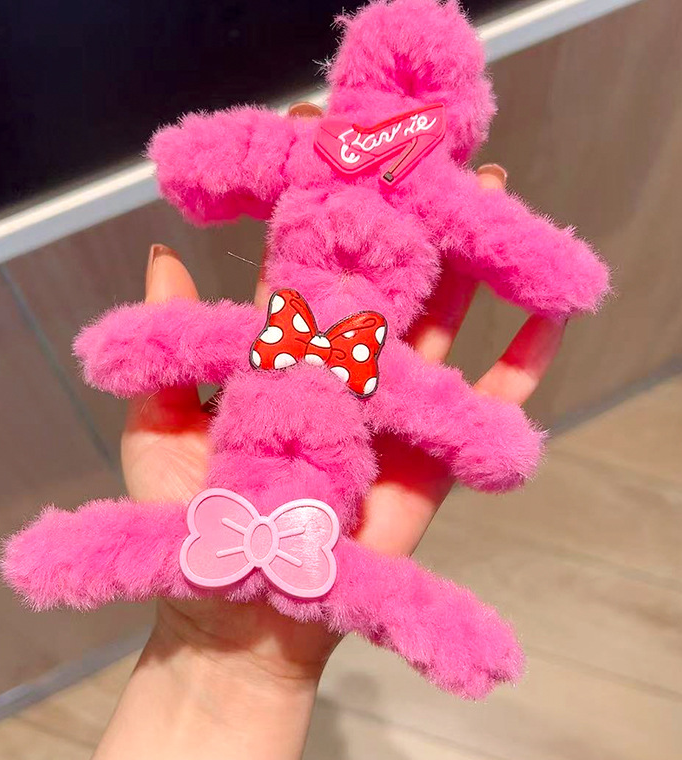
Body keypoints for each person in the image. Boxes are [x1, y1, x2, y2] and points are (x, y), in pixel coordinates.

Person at [93, 162, 564, 759]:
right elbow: (141, 348)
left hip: (298, 550)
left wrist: (494, 443)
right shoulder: (269, 334)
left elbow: (470, 428)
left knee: (396, 601)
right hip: (247, 539)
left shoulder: (373, 360)